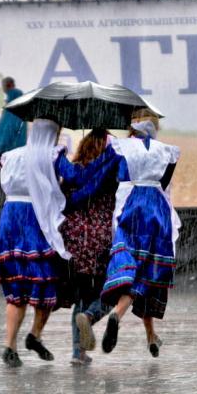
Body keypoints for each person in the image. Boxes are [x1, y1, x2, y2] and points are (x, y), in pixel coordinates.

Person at [0, 117, 97, 368]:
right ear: (53, 133)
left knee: (16, 289)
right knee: (45, 281)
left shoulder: (12, 155)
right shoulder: (52, 154)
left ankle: (10, 345)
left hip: (10, 217)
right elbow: (73, 175)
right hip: (35, 217)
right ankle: (35, 334)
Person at [99, 108, 181, 358]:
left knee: (130, 265)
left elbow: (110, 176)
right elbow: (164, 184)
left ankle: (124, 317)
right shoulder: (168, 151)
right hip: (156, 208)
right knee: (148, 271)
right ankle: (138, 327)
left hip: (129, 206)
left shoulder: (120, 147)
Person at [59, 128, 117, 365]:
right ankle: (90, 317)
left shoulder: (72, 172)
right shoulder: (109, 170)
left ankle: (78, 353)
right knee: (113, 292)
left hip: (74, 238)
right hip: (100, 236)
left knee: (81, 295)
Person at [0, 77, 27, 159]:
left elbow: (8, 131)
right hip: (19, 151)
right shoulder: (21, 108)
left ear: (8, 85)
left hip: (8, 152)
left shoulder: (11, 110)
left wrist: (0, 148)